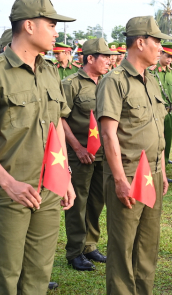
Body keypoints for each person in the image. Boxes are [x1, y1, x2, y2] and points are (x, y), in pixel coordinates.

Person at [0, 0, 76, 294]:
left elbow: (56, 128)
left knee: (38, 277)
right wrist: (8, 183)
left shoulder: (51, 73)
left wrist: (65, 176)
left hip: (49, 188)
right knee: (3, 278)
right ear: (28, 25)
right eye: (52, 24)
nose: (56, 31)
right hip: (9, 193)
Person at [96, 16, 170, 294]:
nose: (160, 48)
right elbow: (108, 134)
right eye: (157, 41)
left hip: (153, 173)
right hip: (127, 173)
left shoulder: (151, 81)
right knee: (123, 247)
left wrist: (161, 168)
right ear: (140, 42)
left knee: (148, 244)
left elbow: (157, 130)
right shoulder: (114, 81)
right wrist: (118, 179)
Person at [62, 38, 119, 271]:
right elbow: (60, 118)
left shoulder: (107, 82)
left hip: (101, 154)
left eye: (110, 56)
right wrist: (76, 147)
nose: (110, 60)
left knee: (97, 200)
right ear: (90, 58)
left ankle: (89, 245)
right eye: (104, 56)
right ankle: (75, 251)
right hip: (80, 153)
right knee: (78, 201)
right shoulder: (71, 83)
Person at [151, 42, 172, 179]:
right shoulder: (151, 70)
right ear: (161, 53)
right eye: (167, 56)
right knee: (158, 140)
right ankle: (157, 170)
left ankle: (165, 169)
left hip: (170, 109)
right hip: (157, 110)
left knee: (168, 138)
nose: (169, 60)